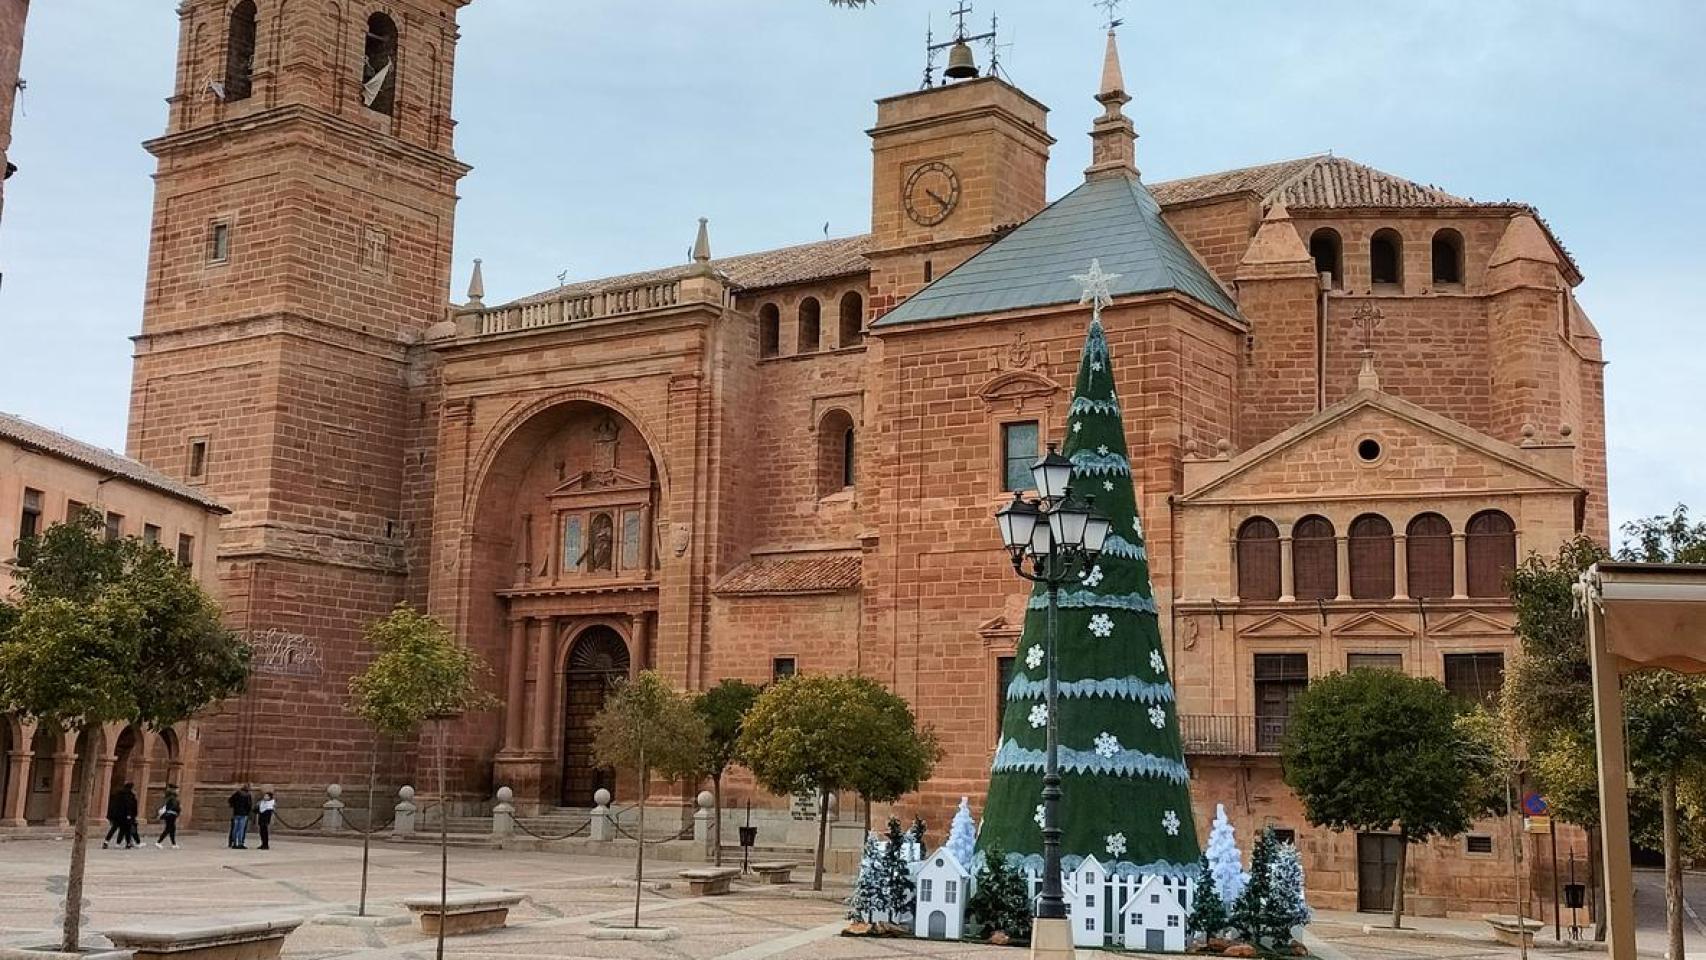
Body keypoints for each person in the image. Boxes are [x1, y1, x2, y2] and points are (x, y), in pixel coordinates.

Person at [154, 784, 181, 849]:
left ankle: (173, 844)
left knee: (172, 829)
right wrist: (178, 809)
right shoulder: (172, 797)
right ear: (174, 790)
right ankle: (158, 842)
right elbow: (174, 806)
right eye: (177, 790)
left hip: (170, 814)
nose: (178, 791)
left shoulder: (169, 796)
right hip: (170, 815)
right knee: (168, 829)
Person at [228, 784, 254, 849]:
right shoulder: (247, 795)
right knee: (241, 829)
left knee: (235, 829)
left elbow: (230, 800)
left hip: (236, 813)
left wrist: (234, 806)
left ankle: (234, 843)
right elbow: (249, 805)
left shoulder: (236, 794)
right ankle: (240, 843)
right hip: (243, 814)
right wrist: (248, 812)